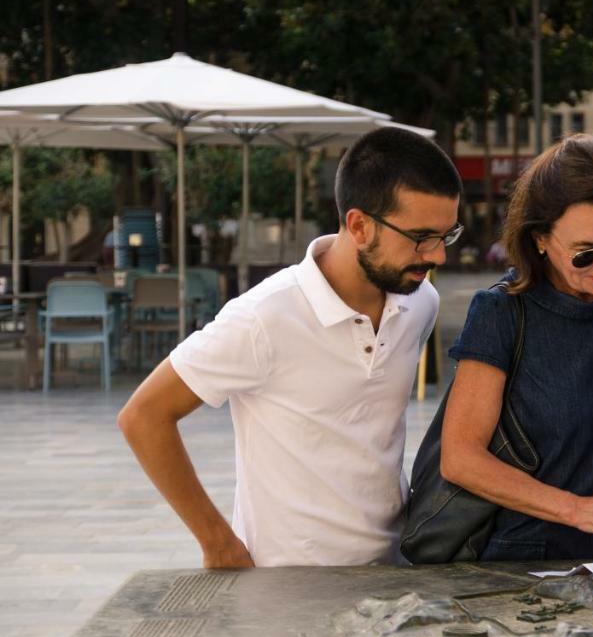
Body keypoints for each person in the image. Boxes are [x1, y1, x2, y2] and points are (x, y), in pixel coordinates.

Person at [117, 128, 463, 567]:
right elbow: (142, 416)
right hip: (286, 586)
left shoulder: (420, 303)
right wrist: (218, 543)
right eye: (421, 237)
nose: (437, 257)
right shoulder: (264, 316)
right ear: (358, 225)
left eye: (446, 235)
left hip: (393, 574)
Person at [440, 134, 593, 561]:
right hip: (527, 560)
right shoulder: (501, 311)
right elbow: (460, 459)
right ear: (540, 239)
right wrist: (577, 510)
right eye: (585, 254)